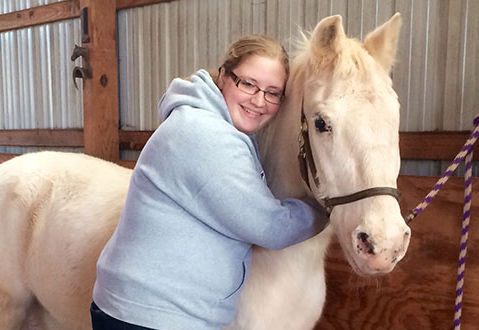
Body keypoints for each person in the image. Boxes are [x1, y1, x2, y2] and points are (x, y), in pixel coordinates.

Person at [90, 34, 329, 330]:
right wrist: (324, 207)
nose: (259, 100)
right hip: (152, 315)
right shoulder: (205, 133)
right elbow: (268, 226)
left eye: (272, 92)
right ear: (223, 77)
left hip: (151, 309)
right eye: (249, 84)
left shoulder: (213, 125)